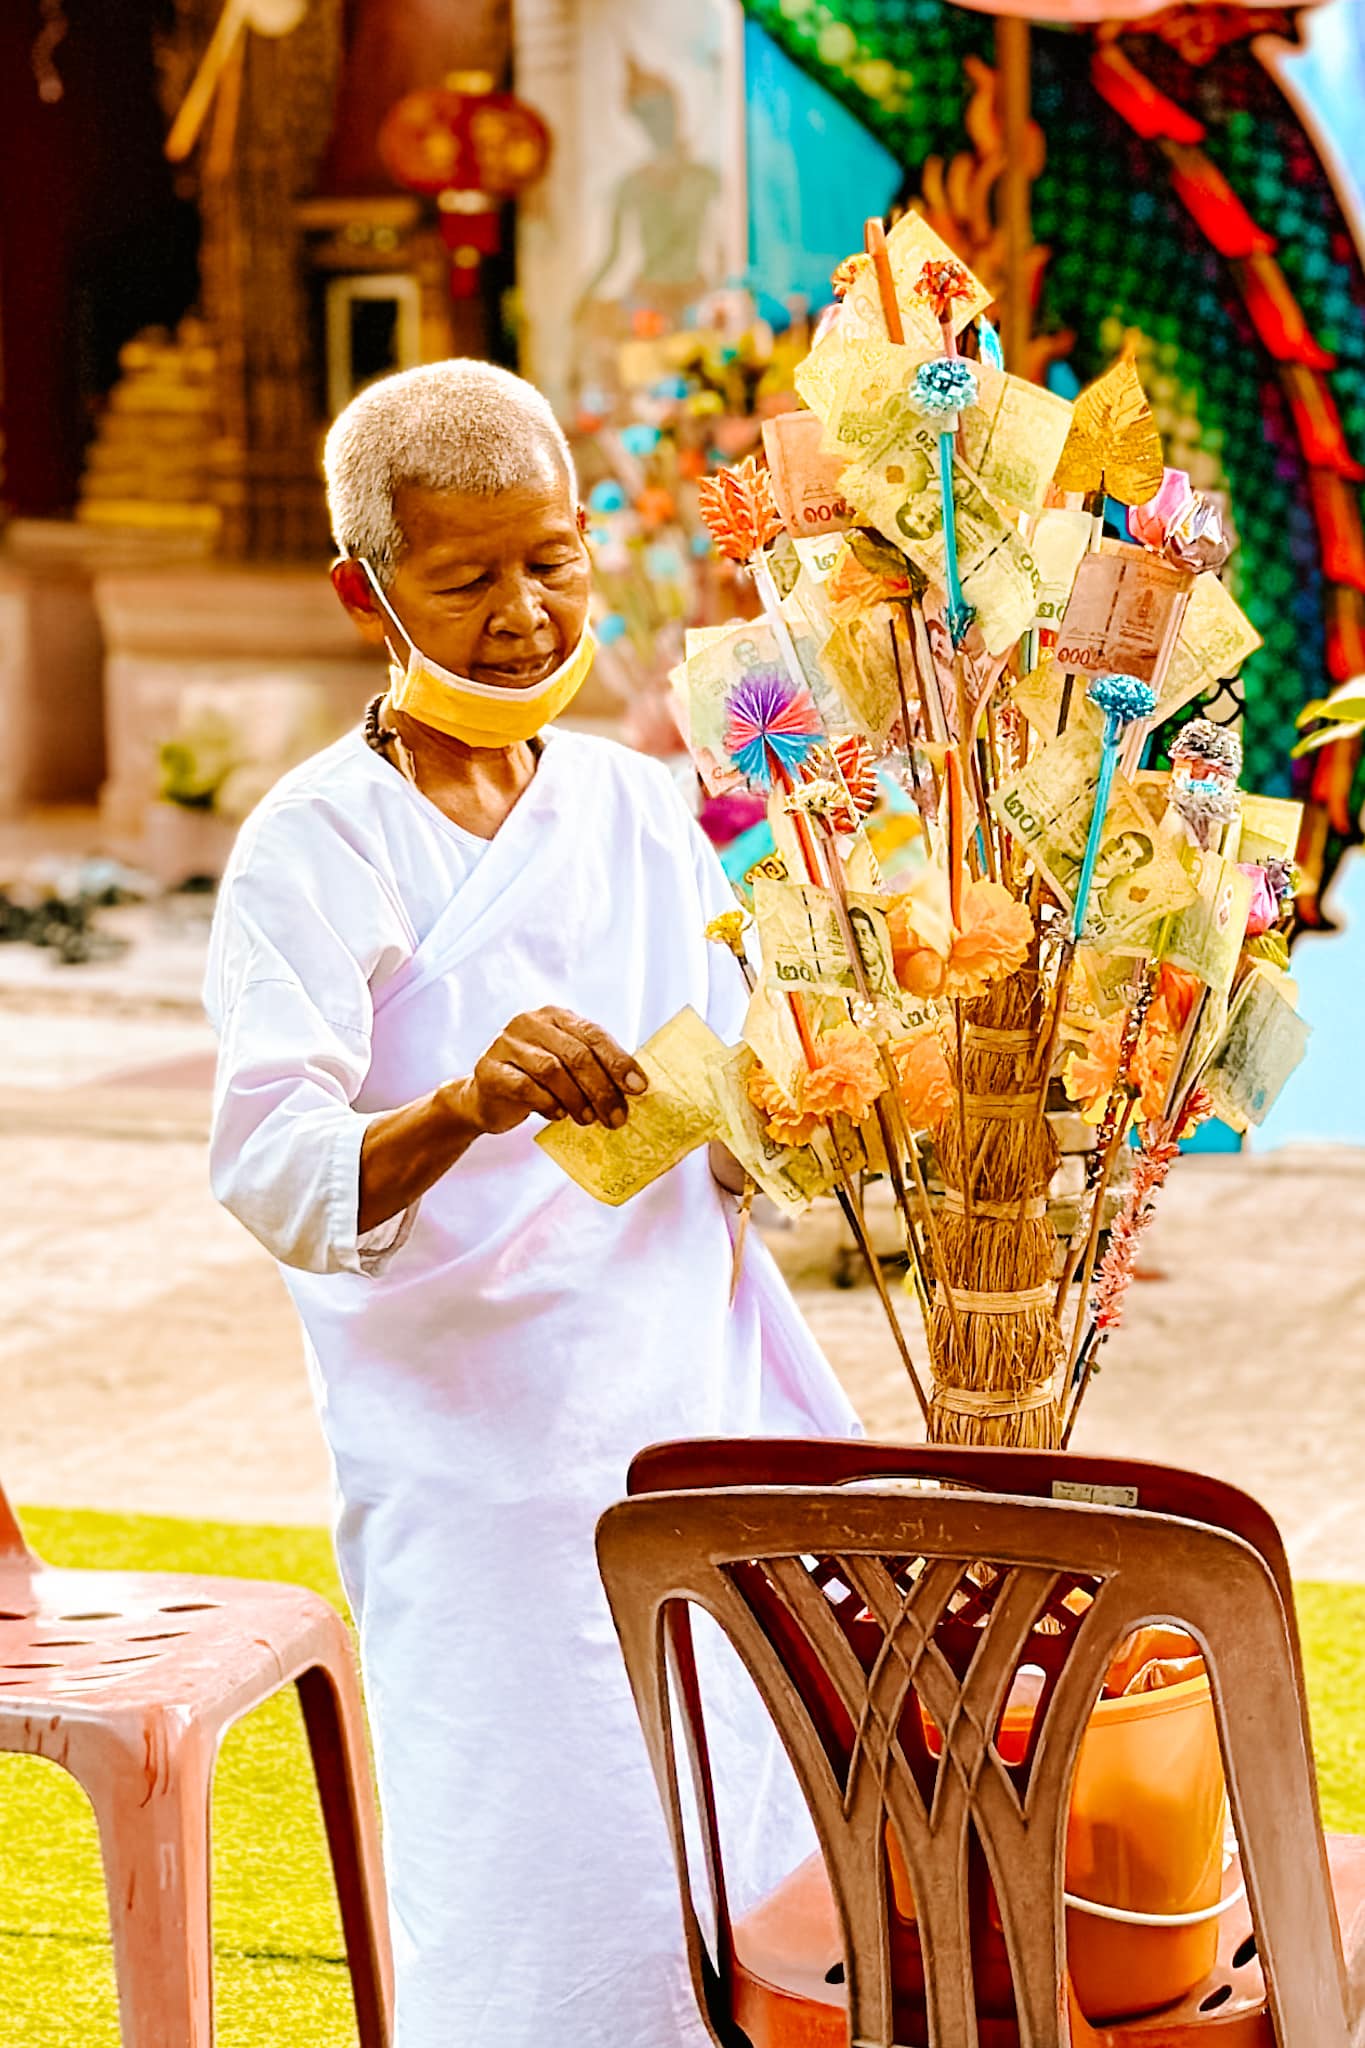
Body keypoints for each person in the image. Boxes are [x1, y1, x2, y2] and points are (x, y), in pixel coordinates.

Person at [204, 359, 858, 2048]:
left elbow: (743, 1102)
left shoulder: (639, 808)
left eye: (550, 561)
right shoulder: (314, 846)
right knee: (538, 1884)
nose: (520, 612)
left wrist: (825, 1088)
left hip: (692, 1406)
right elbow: (272, 1172)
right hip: (475, 1466)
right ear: (367, 594)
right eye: (465, 576)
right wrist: (466, 1100)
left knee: (764, 1851)